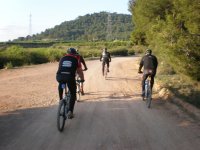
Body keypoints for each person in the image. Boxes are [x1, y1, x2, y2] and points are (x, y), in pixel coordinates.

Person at [56, 47, 80, 119]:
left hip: (60, 77)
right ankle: (70, 111)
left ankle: (60, 99)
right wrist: (82, 79)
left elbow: (60, 67)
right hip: (69, 78)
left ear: (67, 53)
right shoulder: (75, 59)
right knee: (73, 94)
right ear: (74, 54)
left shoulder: (62, 58)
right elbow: (79, 71)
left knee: (61, 83)